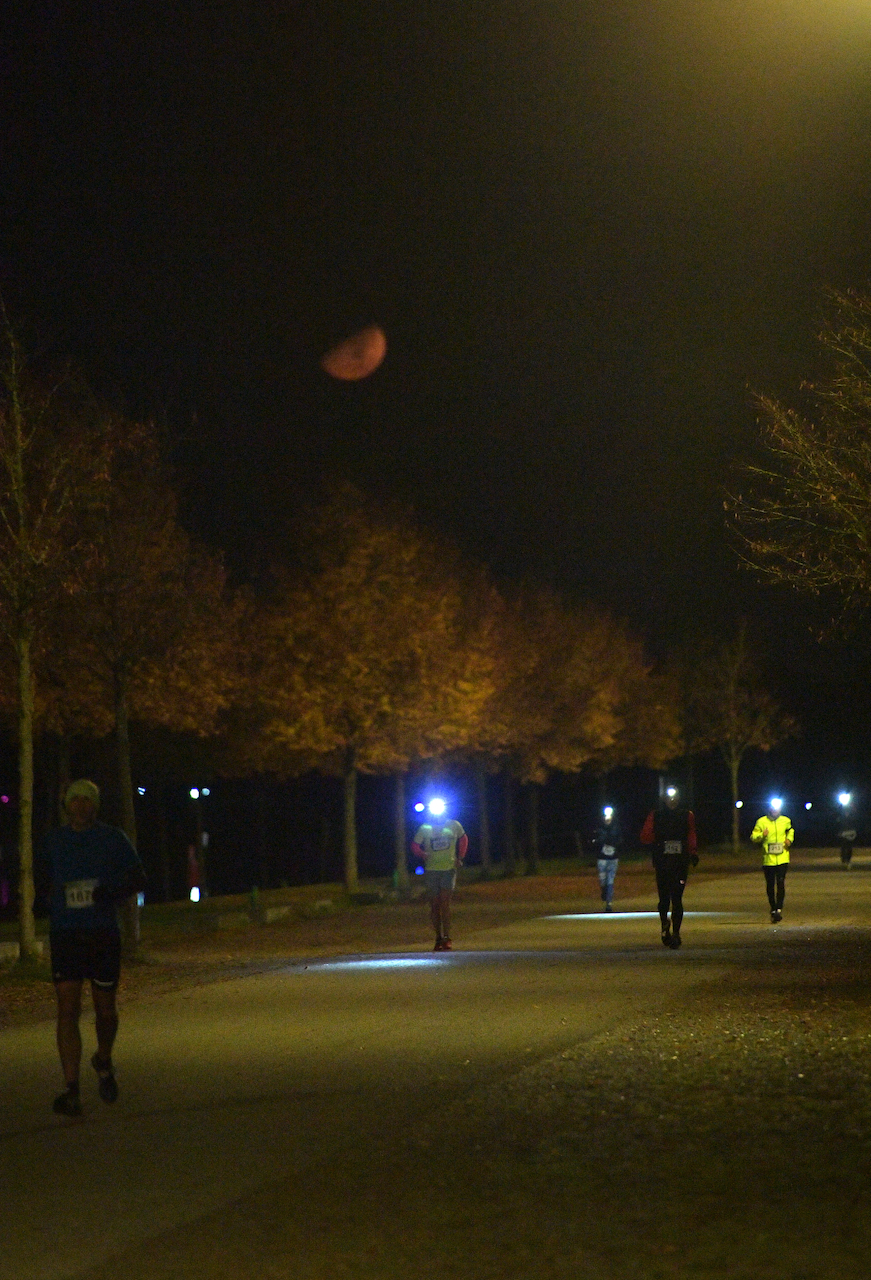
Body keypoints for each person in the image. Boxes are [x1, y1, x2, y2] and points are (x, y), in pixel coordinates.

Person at [44, 779, 146, 1117]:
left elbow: (138, 877)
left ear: (96, 805)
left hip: (102, 933)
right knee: (67, 1010)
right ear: (66, 805)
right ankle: (71, 1089)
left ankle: (103, 1058)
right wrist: (38, 901)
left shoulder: (112, 838)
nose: (81, 806)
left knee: (105, 1009)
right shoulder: (54, 841)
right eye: (75, 800)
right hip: (66, 934)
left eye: (88, 801)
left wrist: (112, 893)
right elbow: (38, 878)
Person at [640, 787, 698, 949]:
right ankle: (664, 924)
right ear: (664, 800)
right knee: (664, 898)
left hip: (680, 863)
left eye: (675, 798)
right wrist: (658, 841)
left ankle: (676, 932)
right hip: (662, 863)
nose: (672, 801)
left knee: (677, 898)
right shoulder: (656, 815)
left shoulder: (687, 815)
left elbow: (691, 833)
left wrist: (692, 851)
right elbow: (645, 836)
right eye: (669, 798)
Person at [410, 800, 468, 951]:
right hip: (432, 870)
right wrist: (422, 854)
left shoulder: (454, 825)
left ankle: (447, 936)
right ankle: (438, 937)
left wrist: (460, 857)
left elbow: (464, 838)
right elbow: (415, 844)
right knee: (435, 905)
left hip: (448, 869)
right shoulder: (425, 828)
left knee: (445, 903)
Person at [751, 798, 793, 922]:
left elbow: (790, 830)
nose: (775, 811)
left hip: (782, 858)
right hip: (768, 860)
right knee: (770, 884)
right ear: (769, 809)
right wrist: (762, 835)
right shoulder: (761, 821)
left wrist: (789, 840)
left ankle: (779, 908)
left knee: (780, 882)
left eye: (777, 808)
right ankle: (773, 908)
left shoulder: (785, 821)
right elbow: (753, 837)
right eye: (773, 809)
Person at [592, 806, 623, 911]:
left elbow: (620, 840)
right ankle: (604, 892)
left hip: (613, 859)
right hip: (602, 859)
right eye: (606, 817)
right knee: (603, 880)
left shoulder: (616, 828)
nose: (607, 819)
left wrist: (614, 844)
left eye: (609, 817)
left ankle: (609, 903)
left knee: (610, 880)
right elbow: (594, 841)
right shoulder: (599, 828)